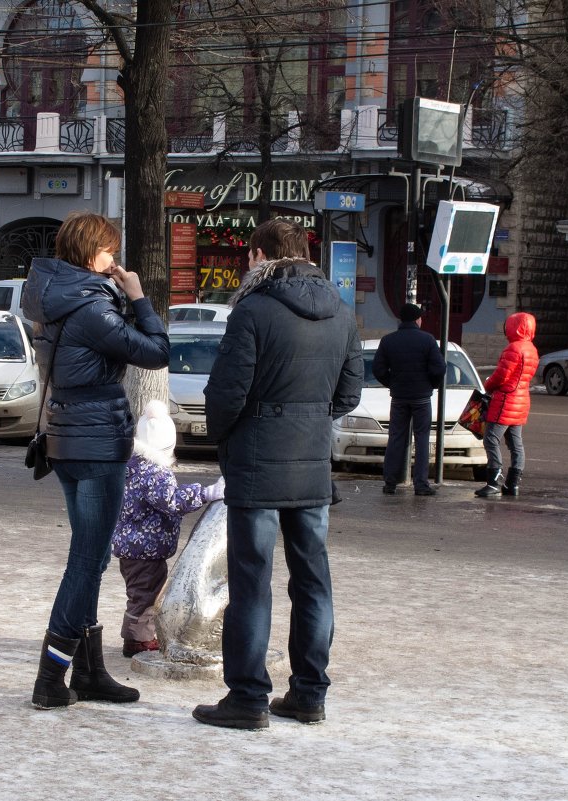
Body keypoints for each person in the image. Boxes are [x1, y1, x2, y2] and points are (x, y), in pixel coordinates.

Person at [195, 218, 363, 730]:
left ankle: (247, 698)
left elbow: (226, 395)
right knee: (313, 581)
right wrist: (308, 418)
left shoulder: (253, 310)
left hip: (256, 467)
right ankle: (310, 694)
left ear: (260, 255)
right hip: (311, 468)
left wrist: (226, 438)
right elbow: (349, 395)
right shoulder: (341, 312)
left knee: (252, 583)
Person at [20, 211, 169, 710]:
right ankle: (51, 677)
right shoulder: (91, 309)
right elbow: (156, 350)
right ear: (89, 252)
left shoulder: (55, 296)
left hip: (67, 436)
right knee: (86, 560)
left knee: (94, 554)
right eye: (108, 250)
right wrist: (139, 296)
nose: (114, 260)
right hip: (96, 442)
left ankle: (88, 672)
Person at [111, 400, 224, 657]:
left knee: (139, 593)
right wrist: (206, 493)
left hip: (132, 546)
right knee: (146, 595)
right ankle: (138, 640)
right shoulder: (155, 474)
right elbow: (172, 501)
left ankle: (135, 636)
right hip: (145, 550)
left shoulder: (132, 466)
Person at [373, 303, 446, 496]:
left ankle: (390, 482)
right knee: (422, 439)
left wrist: (392, 383)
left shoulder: (388, 341)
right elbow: (439, 368)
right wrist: (431, 384)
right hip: (422, 397)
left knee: (396, 438)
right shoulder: (427, 340)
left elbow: (378, 369)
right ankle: (421, 484)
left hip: (399, 397)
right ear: (417, 320)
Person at [475, 312, 538, 498]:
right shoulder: (531, 349)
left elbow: (501, 376)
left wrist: (488, 384)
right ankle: (512, 483)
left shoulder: (513, 349)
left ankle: (493, 481)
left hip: (505, 401)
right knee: (515, 443)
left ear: (513, 327)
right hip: (521, 400)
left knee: (491, 439)